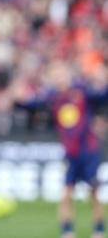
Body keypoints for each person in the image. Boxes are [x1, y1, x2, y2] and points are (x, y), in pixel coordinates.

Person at [14, 62, 107, 238]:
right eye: (55, 75)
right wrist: (19, 98)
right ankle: (67, 231)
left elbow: (102, 96)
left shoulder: (81, 92)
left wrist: (103, 78)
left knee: (94, 193)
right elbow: (31, 105)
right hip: (70, 154)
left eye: (61, 74)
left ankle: (99, 230)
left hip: (88, 151)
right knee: (66, 194)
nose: (59, 78)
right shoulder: (53, 97)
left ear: (68, 75)